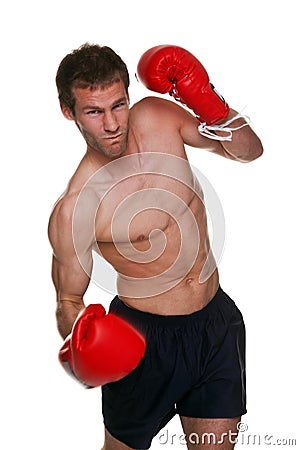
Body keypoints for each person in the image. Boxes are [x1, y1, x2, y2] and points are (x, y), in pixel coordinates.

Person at [48, 43, 263, 450]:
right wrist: (86, 346)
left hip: (215, 323)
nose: (112, 124)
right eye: (94, 112)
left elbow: (250, 152)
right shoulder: (77, 208)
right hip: (143, 341)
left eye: (118, 105)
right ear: (69, 113)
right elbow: (69, 300)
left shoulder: (158, 117)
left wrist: (213, 107)